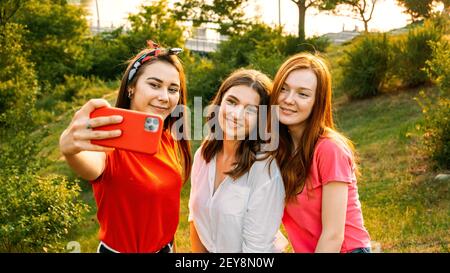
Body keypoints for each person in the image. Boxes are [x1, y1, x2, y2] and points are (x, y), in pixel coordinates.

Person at [59, 43, 192, 253]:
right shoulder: (108, 141)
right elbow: (90, 164)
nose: (165, 97)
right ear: (131, 88)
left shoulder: (166, 137)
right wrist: (69, 148)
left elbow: (162, 211)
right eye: (155, 85)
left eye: (173, 89)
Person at [270, 53, 371, 253]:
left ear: (318, 102)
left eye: (303, 94)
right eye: (283, 89)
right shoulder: (278, 150)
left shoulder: (330, 149)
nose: (289, 100)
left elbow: (333, 235)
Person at [188, 69, 287, 253]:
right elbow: (195, 219)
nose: (236, 114)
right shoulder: (204, 154)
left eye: (251, 110)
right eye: (232, 102)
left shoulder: (265, 170)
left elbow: (257, 252)